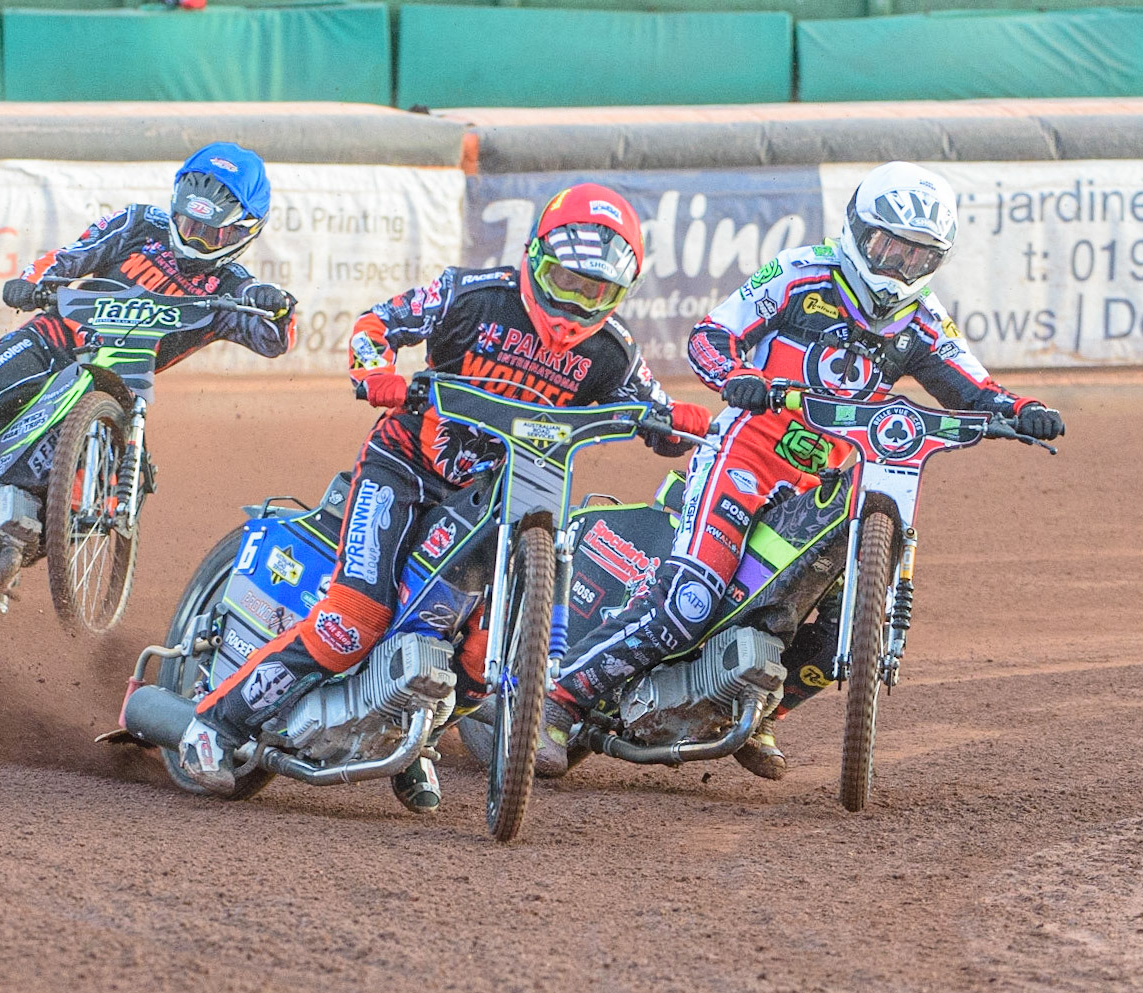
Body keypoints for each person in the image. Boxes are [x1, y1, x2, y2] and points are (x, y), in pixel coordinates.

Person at [175, 183, 713, 811]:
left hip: (505, 497)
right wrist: (376, 372)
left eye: (595, 292)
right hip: (405, 467)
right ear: (535, 258)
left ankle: (410, 736)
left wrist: (687, 423)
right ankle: (214, 726)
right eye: (565, 281)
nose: (575, 303)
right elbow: (376, 325)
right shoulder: (472, 295)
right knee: (354, 620)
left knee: (480, 656)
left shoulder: (612, 351)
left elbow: (658, 416)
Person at [535, 161, 1067, 780]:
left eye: (918, 256)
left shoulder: (922, 320)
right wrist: (738, 377)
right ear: (858, 230)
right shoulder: (800, 273)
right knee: (691, 599)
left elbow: (975, 387)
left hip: (826, 486)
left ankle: (756, 710)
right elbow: (710, 336)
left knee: (845, 622)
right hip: (744, 457)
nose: (899, 266)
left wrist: (1023, 411)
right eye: (888, 246)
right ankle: (556, 700)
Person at [0, 142, 298, 560]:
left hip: (115, 390)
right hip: (51, 342)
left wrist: (277, 307)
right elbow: (70, 256)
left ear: (243, 233)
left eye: (209, 234)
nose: (193, 239)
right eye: (187, 224)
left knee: (98, 489)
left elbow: (275, 339)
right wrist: (31, 282)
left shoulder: (234, 289)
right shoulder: (140, 223)